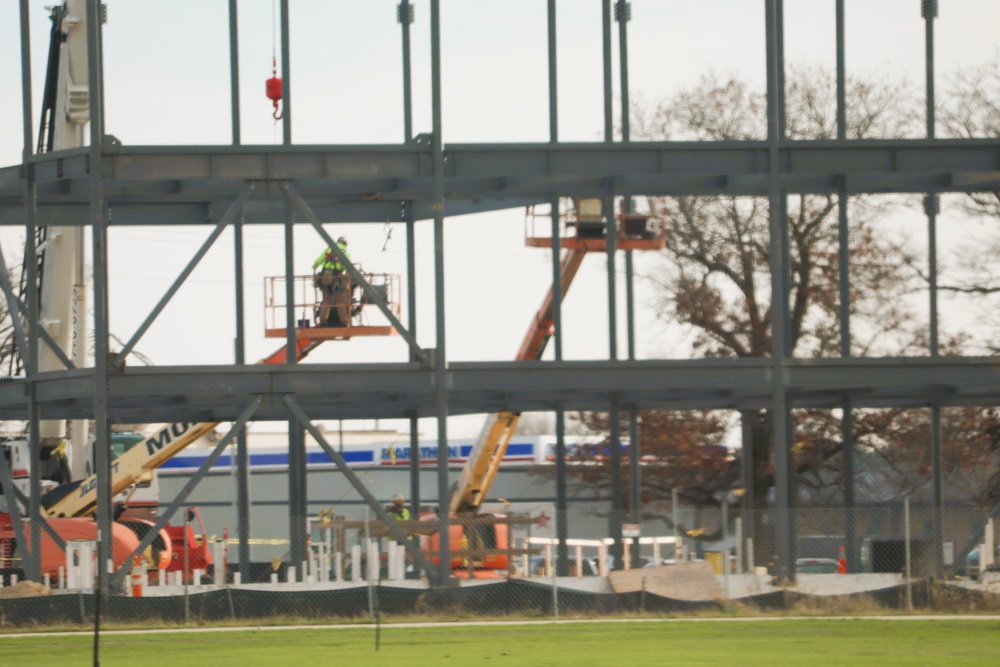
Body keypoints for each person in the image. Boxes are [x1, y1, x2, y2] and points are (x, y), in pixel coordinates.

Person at [312, 236, 351, 326]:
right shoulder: (346, 253)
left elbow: (318, 260)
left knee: (326, 301)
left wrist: (314, 266)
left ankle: (322, 321)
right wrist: (348, 277)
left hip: (325, 278)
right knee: (339, 301)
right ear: (345, 244)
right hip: (337, 279)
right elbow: (348, 267)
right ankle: (344, 321)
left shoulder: (328, 250)